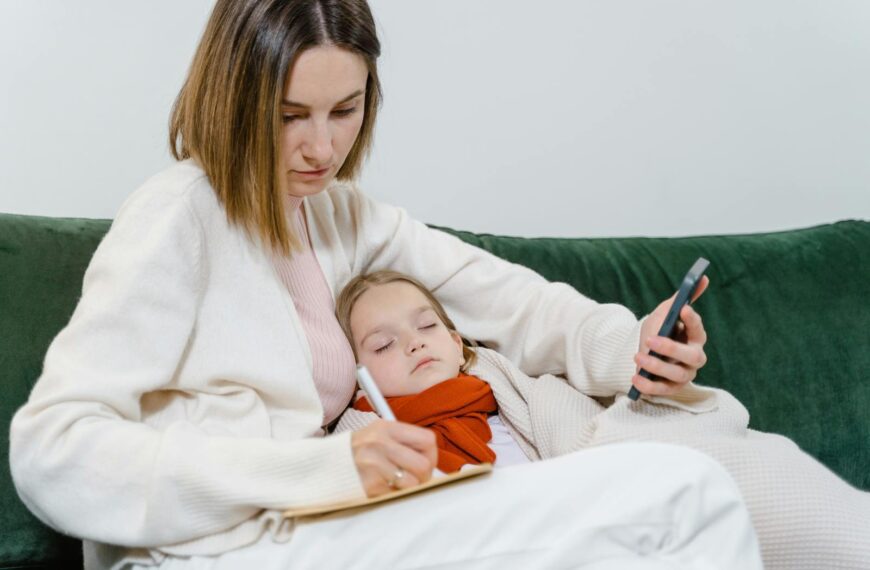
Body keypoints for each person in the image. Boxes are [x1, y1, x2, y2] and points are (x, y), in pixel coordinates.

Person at [7, 1, 769, 569]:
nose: (322, 146)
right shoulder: (178, 218)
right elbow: (54, 449)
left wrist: (624, 341)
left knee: (663, 505)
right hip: (216, 550)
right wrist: (326, 467)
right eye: (289, 116)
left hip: (318, 529)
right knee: (681, 495)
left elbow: (507, 298)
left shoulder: (339, 216)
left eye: (346, 110)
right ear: (233, 102)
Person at [336, 269, 531, 473]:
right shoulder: (364, 451)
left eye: (426, 325)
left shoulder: (521, 407)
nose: (415, 342)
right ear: (358, 379)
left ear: (457, 344)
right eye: (383, 344)